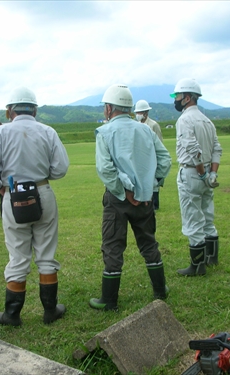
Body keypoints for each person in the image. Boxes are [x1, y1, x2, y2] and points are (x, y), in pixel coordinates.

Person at [0, 87, 69, 326]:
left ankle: (12, 314)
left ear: (10, 111)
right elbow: (61, 168)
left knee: (18, 254)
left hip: (13, 194)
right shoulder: (48, 131)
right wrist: (41, 176)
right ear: (35, 109)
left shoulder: (0, 133)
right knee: (46, 253)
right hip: (42, 191)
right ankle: (50, 310)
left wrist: (0, 187)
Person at [90, 84, 172, 311]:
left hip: (117, 200)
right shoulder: (145, 129)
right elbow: (165, 160)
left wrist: (123, 191)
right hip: (145, 198)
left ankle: (109, 300)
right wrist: (149, 186)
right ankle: (160, 290)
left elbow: (106, 169)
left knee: (113, 245)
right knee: (148, 242)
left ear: (109, 108)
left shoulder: (105, 132)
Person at [170, 78, 223, 276]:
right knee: (207, 215)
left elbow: (192, 149)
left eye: (177, 96)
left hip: (193, 173)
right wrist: (212, 173)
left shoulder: (184, 120)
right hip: (208, 173)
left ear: (187, 97)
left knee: (192, 217)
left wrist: (201, 174)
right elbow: (217, 148)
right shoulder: (207, 120)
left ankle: (197, 266)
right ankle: (212, 258)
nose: (175, 99)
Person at [134, 99, 164, 210]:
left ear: (146, 112)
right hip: (140, 159)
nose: (138, 115)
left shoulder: (153, 125)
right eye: (136, 113)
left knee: (153, 183)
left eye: (139, 113)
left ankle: (155, 205)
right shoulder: (135, 125)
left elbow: (159, 143)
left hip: (152, 158)